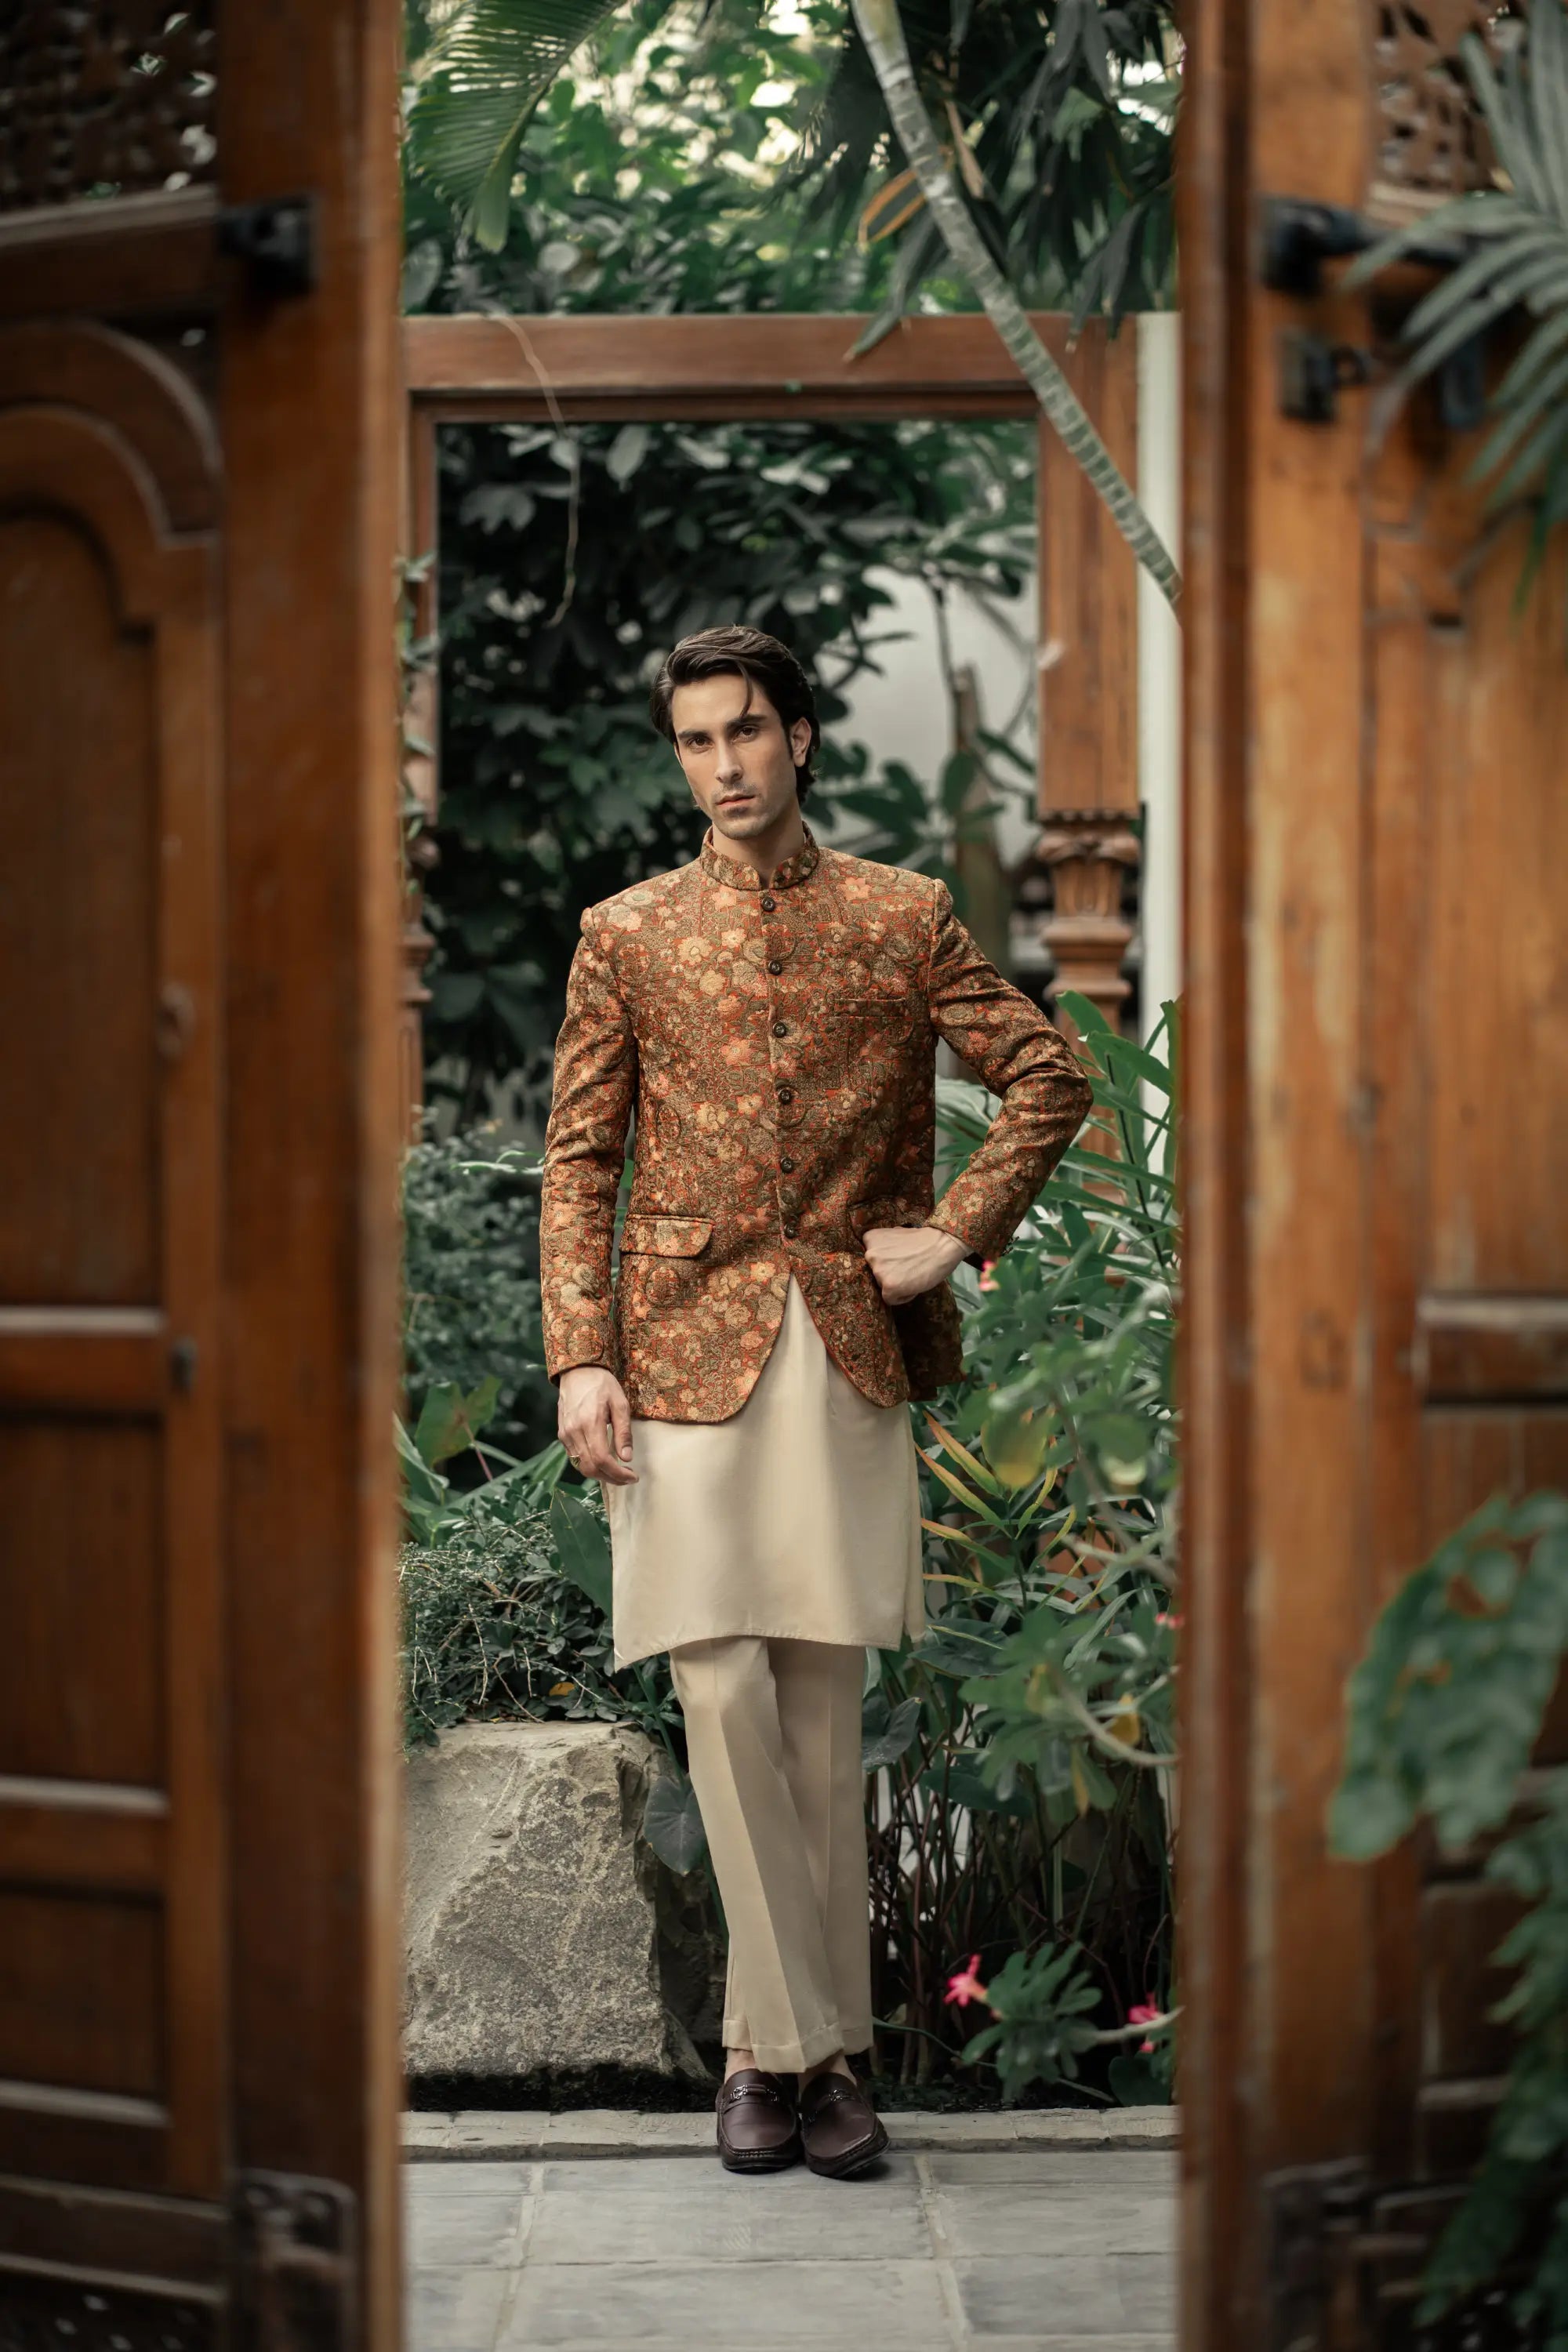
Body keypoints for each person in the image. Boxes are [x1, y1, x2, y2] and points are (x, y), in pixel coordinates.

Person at [540, 623, 1091, 2176]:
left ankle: (769, 2072)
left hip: (842, 1342)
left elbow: (1049, 1075)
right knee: (712, 1685)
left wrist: (956, 1231)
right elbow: (579, 1158)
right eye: (696, 740)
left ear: (799, 739)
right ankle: (812, 2050)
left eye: (746, 733)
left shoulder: (900, 917)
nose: (723, 765)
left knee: (817, 1718)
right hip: (671, 1350)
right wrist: (581, 1349)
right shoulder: (627, 932)